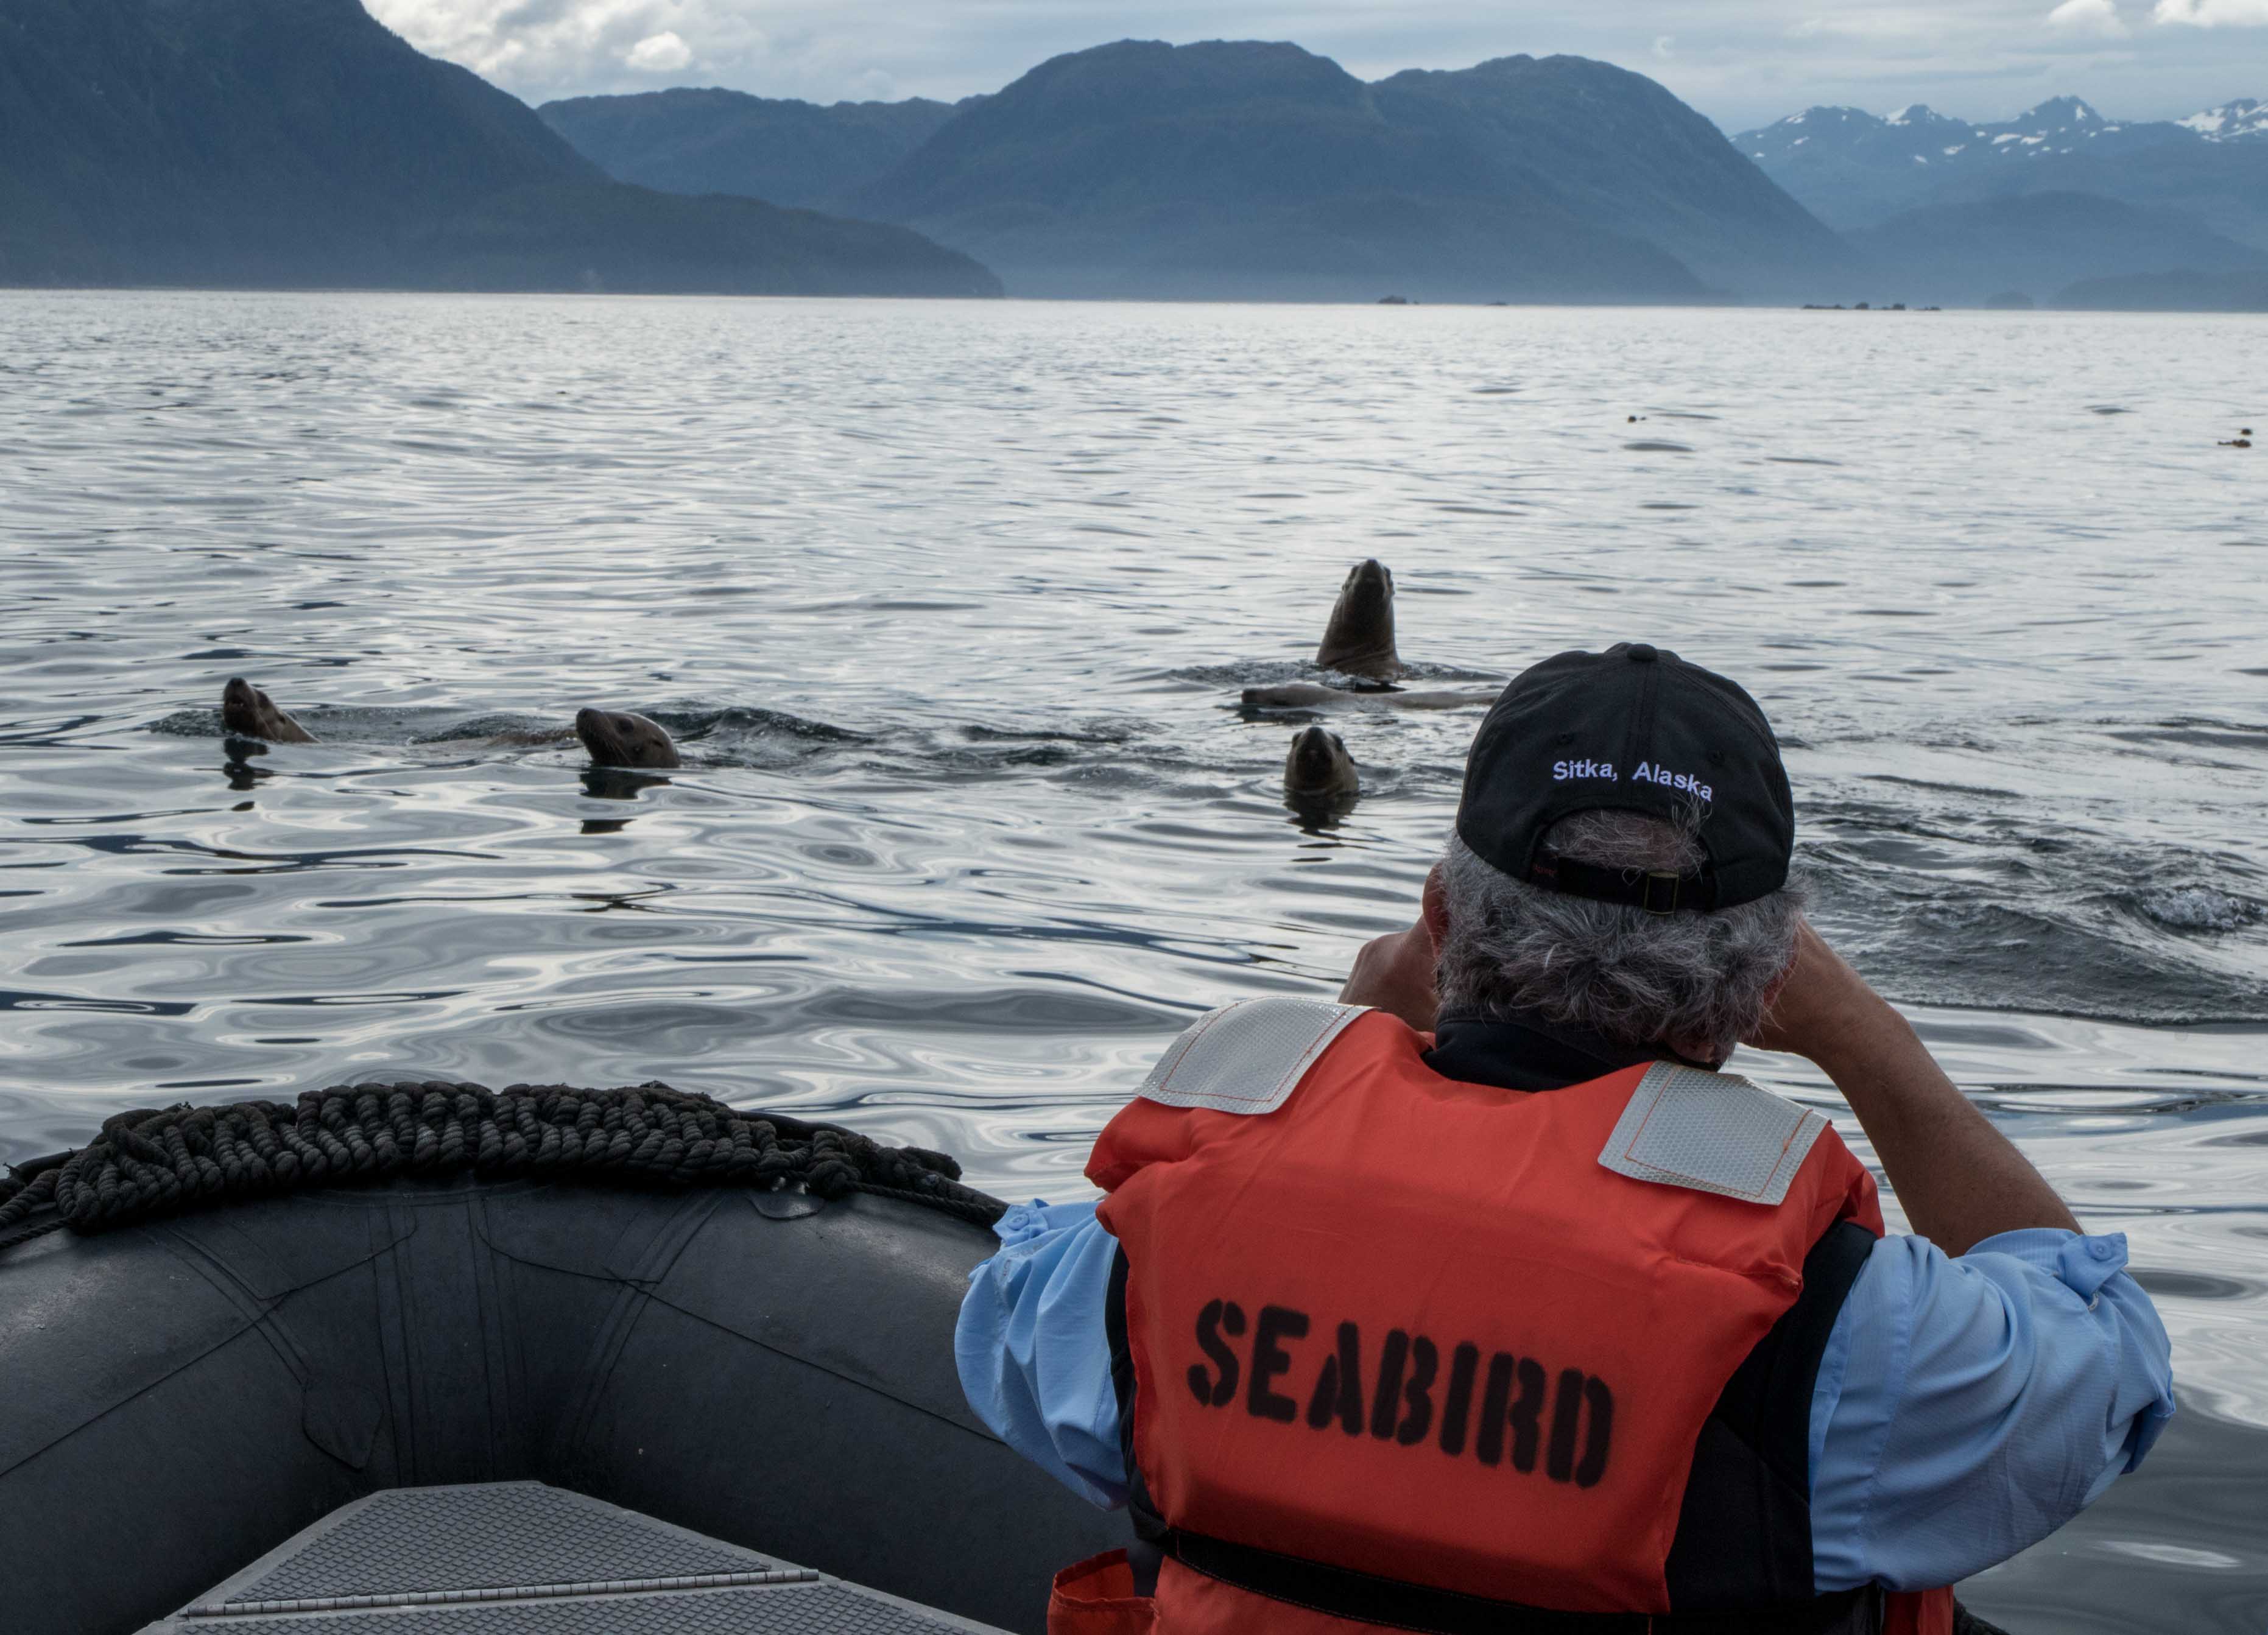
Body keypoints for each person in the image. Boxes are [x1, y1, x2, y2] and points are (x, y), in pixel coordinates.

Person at [957, 642, 2174, 1635]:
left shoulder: (1143, 1254)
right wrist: (1867, 1040)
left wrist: (1340, 1048)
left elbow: (1004, 1329)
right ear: (1765, 981)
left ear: (1440, 919)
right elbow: (2109, 1363)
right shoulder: (1835, 1326)